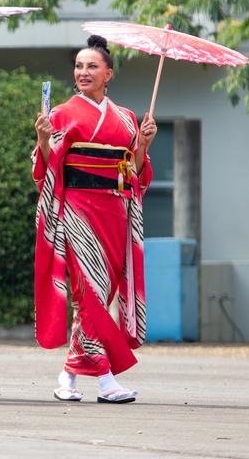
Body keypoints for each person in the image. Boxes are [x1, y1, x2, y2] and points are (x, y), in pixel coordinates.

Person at [34, 35, 155, 404]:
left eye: (92, 66)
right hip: (77, 210)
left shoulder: (126, 118)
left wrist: (144, 144)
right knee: (88, 293)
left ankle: (68, 377)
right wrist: (42, 140)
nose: (83, 72)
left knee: (101, 293)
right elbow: (45, 168)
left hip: (115, 211)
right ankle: (105, 380)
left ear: (109, 74)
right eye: (79, 66)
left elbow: (132, 173)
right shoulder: (61, 114)